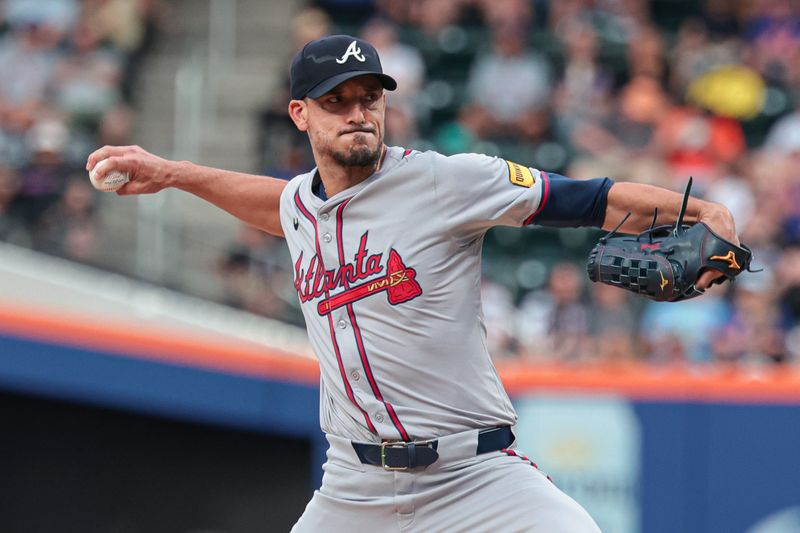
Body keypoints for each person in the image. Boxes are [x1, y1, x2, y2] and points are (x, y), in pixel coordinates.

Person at [87, 34, 740, 532]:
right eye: (335, 101)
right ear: (300, 115)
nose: (357, 112)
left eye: (368, 97)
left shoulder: (445, 181)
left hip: (472, 476)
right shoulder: (299, 207)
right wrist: (173, 173)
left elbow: (588, 198)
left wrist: (703, 211)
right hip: (353, 487)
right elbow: (276, 204)